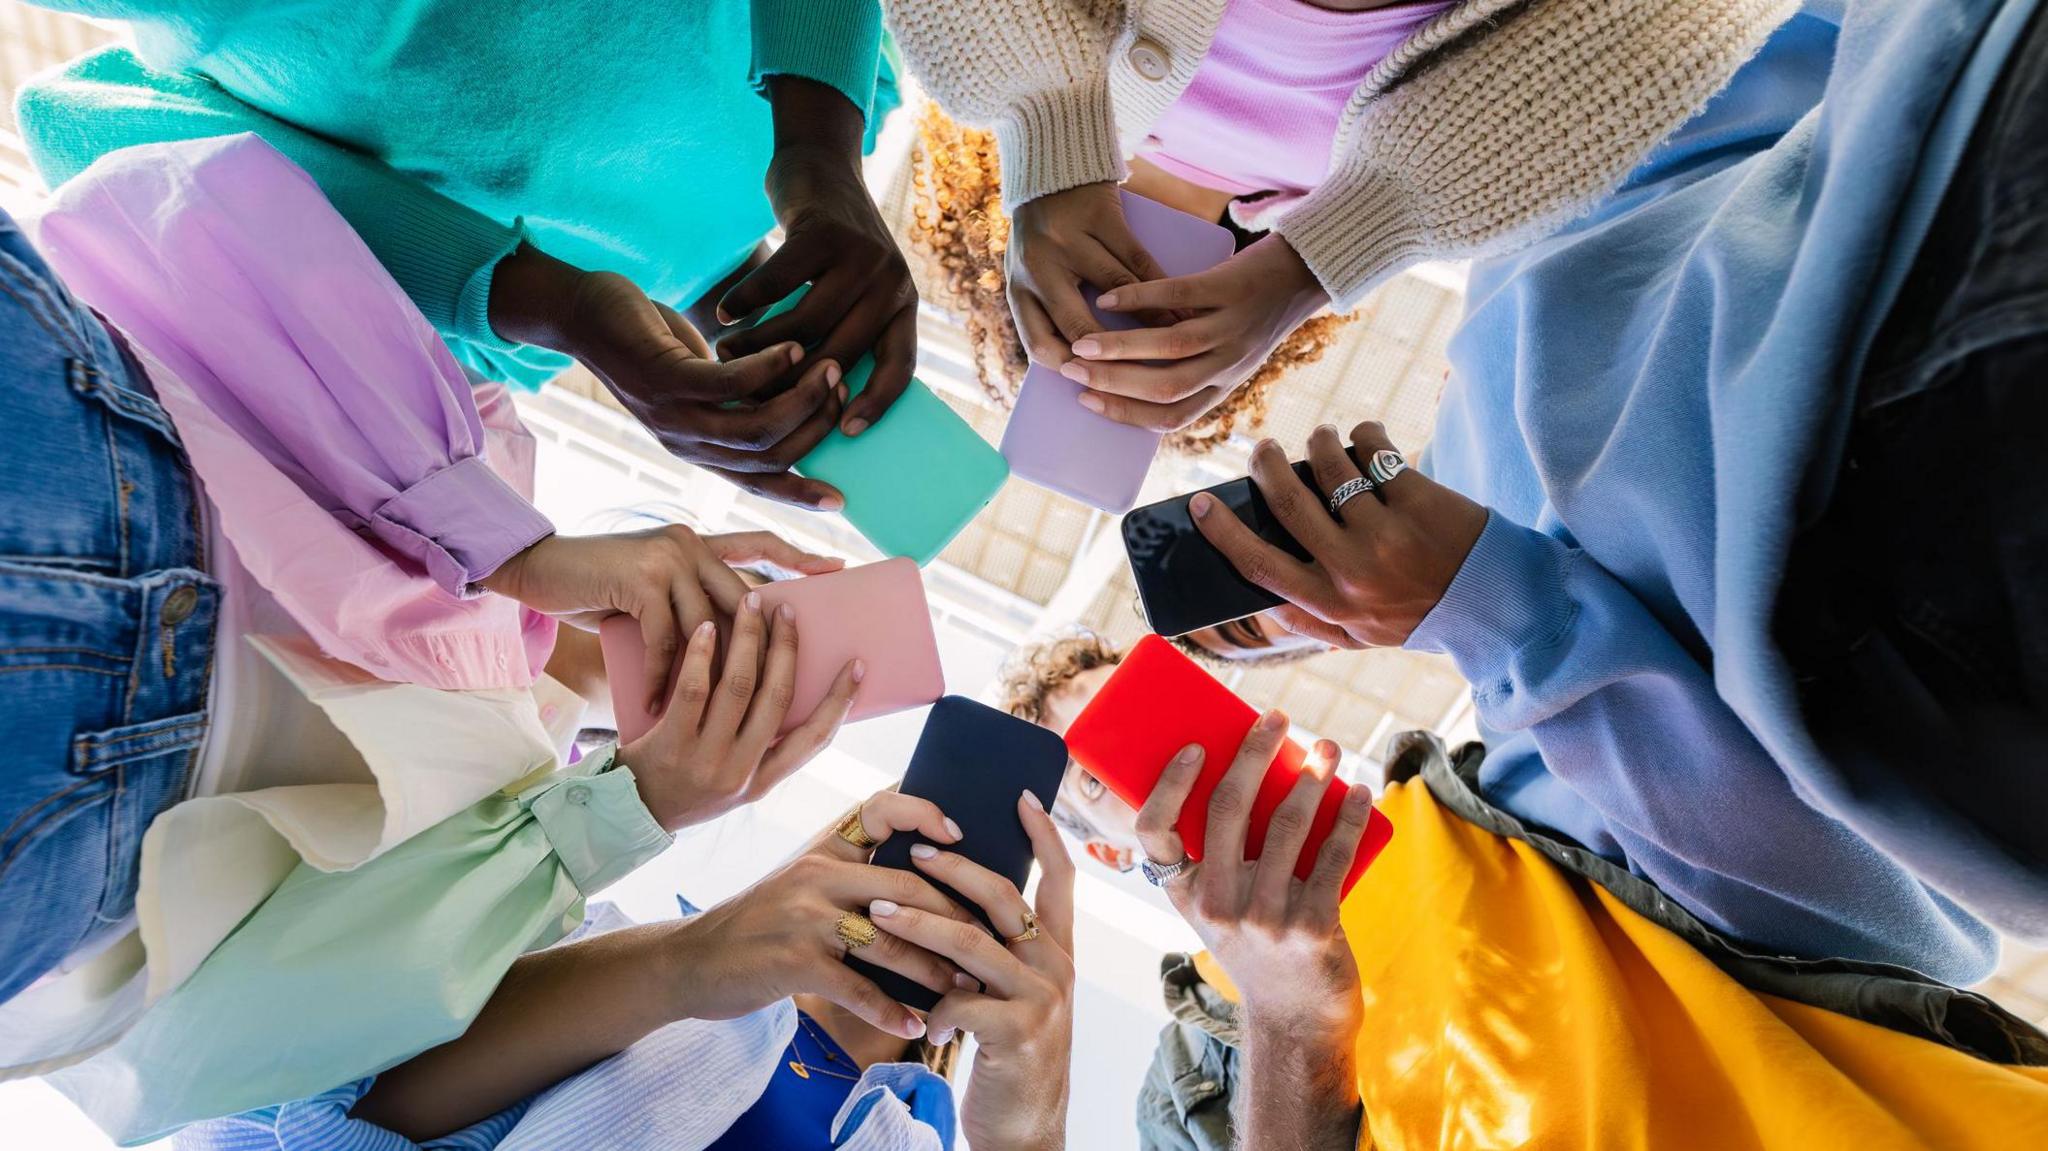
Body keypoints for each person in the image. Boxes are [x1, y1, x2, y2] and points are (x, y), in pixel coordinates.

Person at [0, 134, 862, 1139]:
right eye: (729, 599)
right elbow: (161, 205)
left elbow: (214, 1061)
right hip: (89, 498)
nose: (712, 646)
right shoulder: (462, 458)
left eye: (754, 662)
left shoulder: (528, 839)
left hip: (71, 824)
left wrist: (631, 804)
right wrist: (511, 547)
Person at [1179, 0, 2048, 977]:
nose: (1282, 584)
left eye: (1250, 577)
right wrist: (1482, 607)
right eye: (1258, 620)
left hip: (1912, 204)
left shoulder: (1482, 351)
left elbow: (1700, 71)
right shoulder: (1522, 714)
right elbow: (1890, 934)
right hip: (1905, 527)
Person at [19, 0, 918, 511]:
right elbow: (88, 126)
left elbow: (85, 127)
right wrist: (820, 143)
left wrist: (560, 311)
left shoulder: (840, 89)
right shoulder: (843, 85)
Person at [1126, 724, 2048, 1150]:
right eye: (1095, 769)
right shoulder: (1189, 1072)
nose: (1160, 781)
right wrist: (1291, 1023)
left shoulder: (1460, 803)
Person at [888, 0, 1792, 433]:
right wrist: (1309, 268)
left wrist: (1041, 123)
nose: (1122, 324)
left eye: (1061, 334)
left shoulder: (1041, 62)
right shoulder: (1404, 188)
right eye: (1152, 373)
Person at [179, 787, 1079, 1151]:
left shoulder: (911, 1135)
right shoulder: (608, 948)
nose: (944, 908)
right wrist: (692, 959)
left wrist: (1029, 1131)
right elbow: (311, 1119)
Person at [904, 103, 1355, 455]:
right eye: (1151, 359)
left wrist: (1046, 166)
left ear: (1019, 266)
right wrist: (1307, 272)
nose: (1126, 328)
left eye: (1074, 326)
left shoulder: (1063, 75)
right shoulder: (1344, 190)